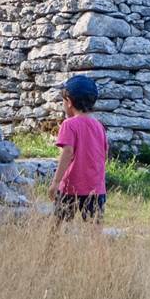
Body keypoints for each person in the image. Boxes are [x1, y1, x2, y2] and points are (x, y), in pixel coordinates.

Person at [51, 74, 108, 223]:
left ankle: (51, 247)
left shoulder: (69, 124)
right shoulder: (99, 126)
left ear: (68, 102)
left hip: (71, 188)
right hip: (96, 189)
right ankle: (96, 248)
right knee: (94, 231)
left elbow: (68, 152)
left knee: (57, 226)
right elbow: (104, 155)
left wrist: (56, 182)